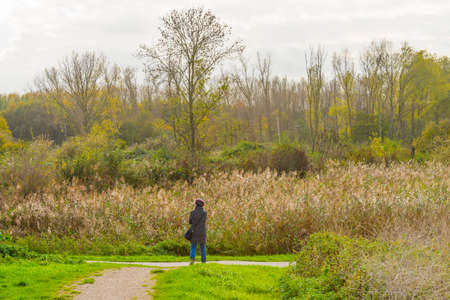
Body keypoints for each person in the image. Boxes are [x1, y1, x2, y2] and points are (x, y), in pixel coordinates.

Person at [188, 198, 207, 264]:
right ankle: (203, 261)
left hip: (194, 231)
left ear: (196, 204)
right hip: (202, 232)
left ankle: (192, 260)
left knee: (193, 246)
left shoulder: (192, 213)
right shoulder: (204, 213)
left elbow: (190, 222)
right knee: (202, 246)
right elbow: (203, 222)